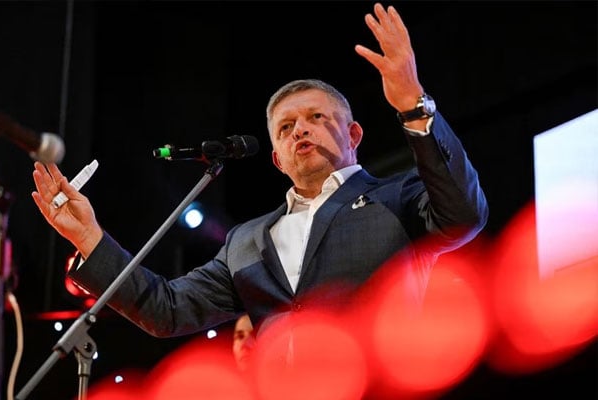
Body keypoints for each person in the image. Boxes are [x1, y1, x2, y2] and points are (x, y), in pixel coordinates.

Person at [31, 3, 487, 340]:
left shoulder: (399, 199)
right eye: (286, 128)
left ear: (354, 136)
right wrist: (89, 237)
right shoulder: (246, 241)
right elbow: (165, 310)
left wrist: (412, 104)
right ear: (277, 158)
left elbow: (464, 215)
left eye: (316, 118)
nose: (300, 131)